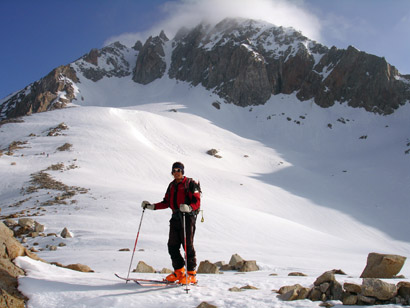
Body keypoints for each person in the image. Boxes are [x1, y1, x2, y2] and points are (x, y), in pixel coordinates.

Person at [141, 162, 201, 284]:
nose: (176, 172)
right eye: (174, 170)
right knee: (172, 246)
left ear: (182, 171)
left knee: (187, 245)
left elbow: (197, 202)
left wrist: (189, 208)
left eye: (179, 170)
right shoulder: (172, 185)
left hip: (187, 217)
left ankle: (191, 274)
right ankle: (179, 271)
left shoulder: (190, 184)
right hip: (175, 218)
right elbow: (166, 202)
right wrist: (152, 206)